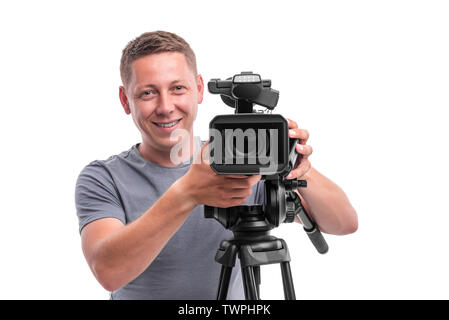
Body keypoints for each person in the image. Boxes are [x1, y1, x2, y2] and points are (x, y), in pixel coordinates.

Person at [75, 30, 358, 300]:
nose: (165, 106)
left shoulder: (238, 163)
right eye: (148, 93)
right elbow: (108, 271)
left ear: (198, 90)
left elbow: (344, 222)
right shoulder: (104, 177)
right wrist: (186, 193)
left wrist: (296, 164)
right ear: (126, 100)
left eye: (177, 88)